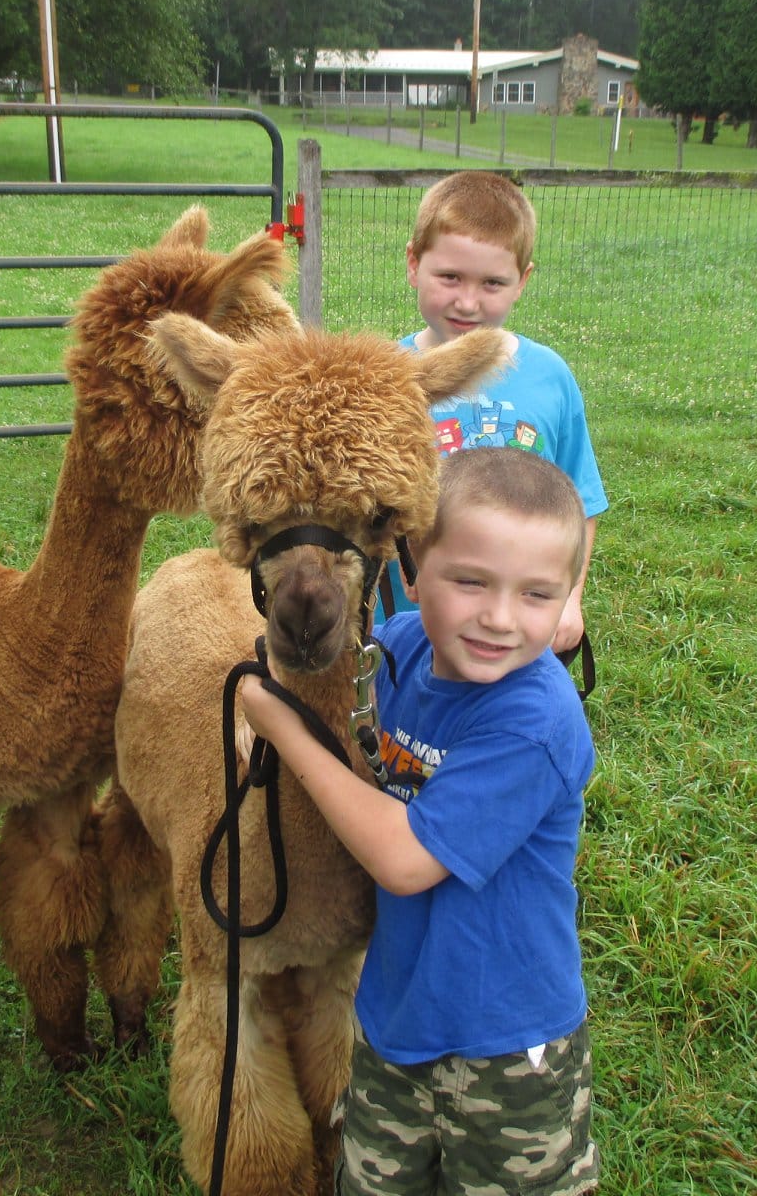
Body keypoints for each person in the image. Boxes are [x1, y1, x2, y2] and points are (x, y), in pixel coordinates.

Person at [241, 447, 601, 1196]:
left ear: (569, 597)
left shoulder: (532, 721)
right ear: (405, 573)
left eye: (538, 595)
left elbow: (403, 860)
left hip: (507, 1046)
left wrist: (287, 734)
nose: (500, 619)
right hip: (394, 1018)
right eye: (470, 582)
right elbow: (344, 721)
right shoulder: (397, 653)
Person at [384, 170, 607, 655]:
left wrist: (569, 599)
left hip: (516, 635)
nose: (468, 301)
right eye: (449, 277)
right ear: (413, 264)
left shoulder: (550, 378)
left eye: (492, 282)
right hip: (405, 631)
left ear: (522, 281)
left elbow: (581, 503)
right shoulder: (386, 381)